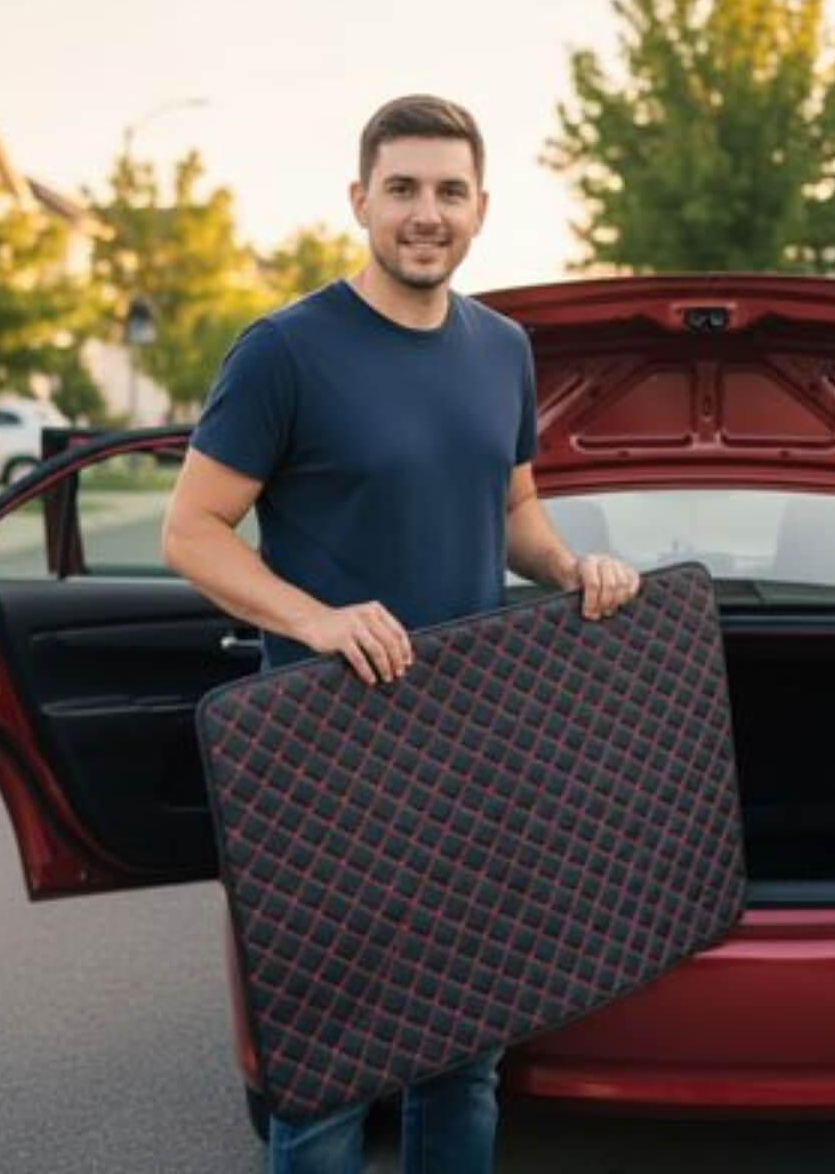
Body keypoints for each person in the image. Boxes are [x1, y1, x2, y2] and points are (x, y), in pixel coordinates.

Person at [162, 93, 640, 1174]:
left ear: (481, 209)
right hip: (328, 762)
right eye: (404, 189)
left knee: (464, 1062)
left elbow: (514, 508)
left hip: (470, 754)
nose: (428, 213)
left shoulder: (503, 348)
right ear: (360, 199)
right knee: (332, 1082)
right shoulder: (284, 351)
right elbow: (191, 533)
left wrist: (571, 567)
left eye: (450, 191)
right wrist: (317, 618)